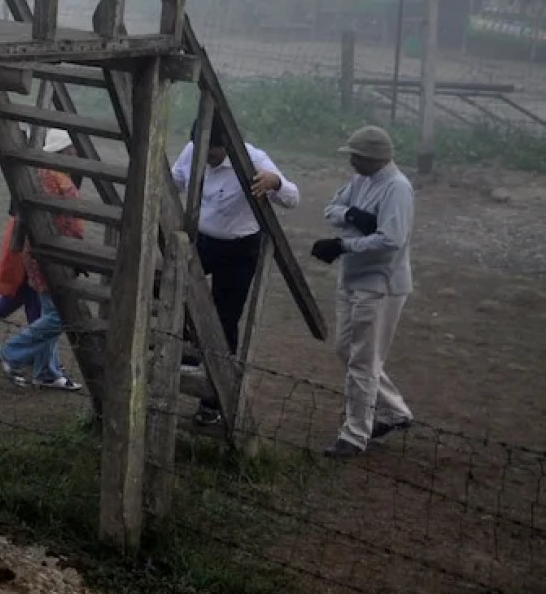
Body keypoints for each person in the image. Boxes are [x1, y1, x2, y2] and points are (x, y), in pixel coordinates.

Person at [170, 121, 299, 426]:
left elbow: (292, 197)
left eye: (213, 153)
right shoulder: (192, 151)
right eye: (203, 151)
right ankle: (185, 355)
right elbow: (174, 181)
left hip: (239, 249)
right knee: (173, 293)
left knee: (224, 319)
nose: (207, 158)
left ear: (226, 146)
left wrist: (275, 183)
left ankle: (213, 399)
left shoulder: (253, 159)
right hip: (201, 242)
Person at [311, 125, 416, 459]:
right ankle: (395, 411)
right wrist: (353, 214)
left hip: (380, 283)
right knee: (347, 350)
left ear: (374, 158)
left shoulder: (397, 188)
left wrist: (344, 244)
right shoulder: (360, 180)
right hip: (352, 277)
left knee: (363, 360)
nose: (351, 161)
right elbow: (332, 208)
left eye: (356, 156)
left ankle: (355, 434)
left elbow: (391, 239)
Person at [0, 128, 84, 392]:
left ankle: (46, 371)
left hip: (37, 250)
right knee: (59, 315)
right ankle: (11, 351)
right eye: (71, 147)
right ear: (63, 151)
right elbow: (69, 221)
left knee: (49, 310)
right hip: (55, 252)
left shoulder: (40, 174)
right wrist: (77, 251)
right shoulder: (59, 179)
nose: (75, 151)